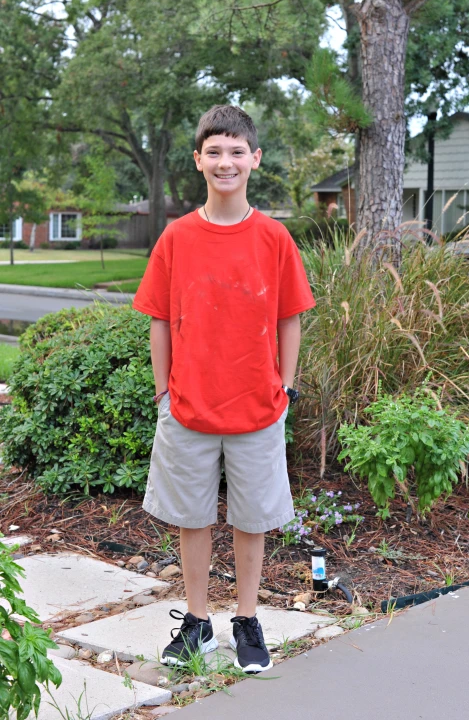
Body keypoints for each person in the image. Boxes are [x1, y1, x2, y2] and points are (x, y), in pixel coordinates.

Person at [133, 104, 315, 673]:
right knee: (193, 518)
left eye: (237, 151)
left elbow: (290, 318)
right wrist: (164, 391)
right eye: (214, 151)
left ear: (254, 159)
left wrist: (284, 388)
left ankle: (245, 618)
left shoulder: (273, 237)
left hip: (258, 408)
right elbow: (159, 318)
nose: (225, 161)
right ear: (198, 160)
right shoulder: (177, 237)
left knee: (251, 519)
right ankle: (197, 622)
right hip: (187, 406)